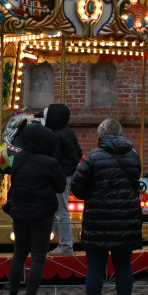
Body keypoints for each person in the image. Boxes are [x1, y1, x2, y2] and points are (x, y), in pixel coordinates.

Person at [70, 118, 143, 295]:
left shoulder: (93, 157)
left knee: (95, 267)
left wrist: (92, 194)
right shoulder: (133, 156)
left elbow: (77, 186)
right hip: (126, 217)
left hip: (98, 218)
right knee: (123, 266)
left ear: (101, 134)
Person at [4, 122, 66, 295]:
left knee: (19, 254)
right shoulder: (50, 163)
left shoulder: (19, 158)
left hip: (20, 211)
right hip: (42, 214)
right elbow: (60, 186)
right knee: (38, 256)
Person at [43, 104, 83, 255]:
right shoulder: (68, 133)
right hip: (67, 174)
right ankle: (64, 241)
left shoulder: (56, 136)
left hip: (61, 176)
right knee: (55, 210)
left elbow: (54, 159)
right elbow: (77, 152)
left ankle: (66, 245)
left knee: (60, 210)